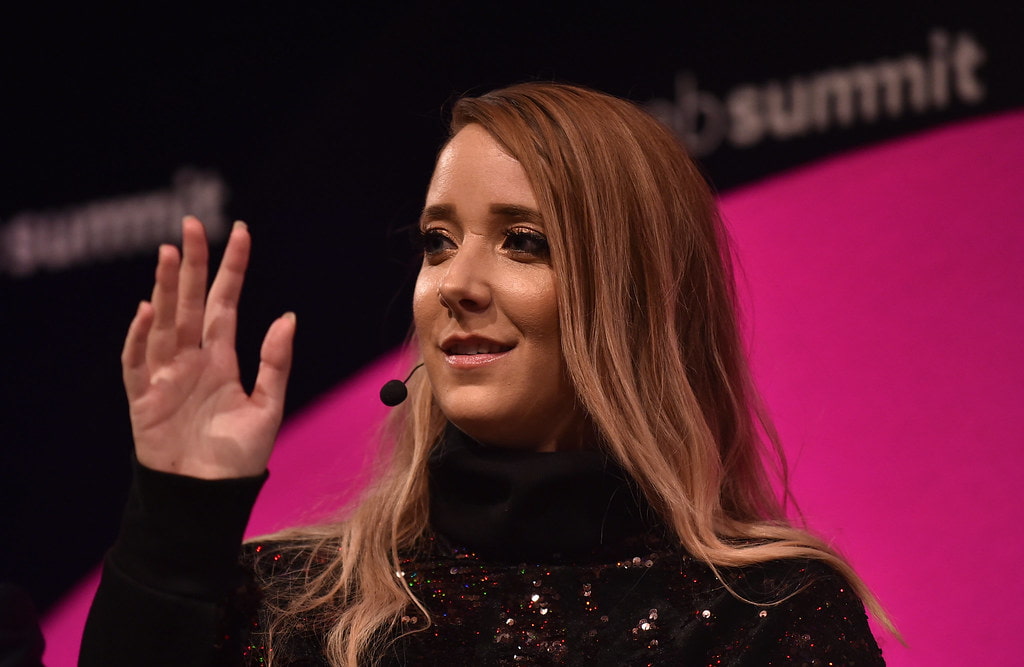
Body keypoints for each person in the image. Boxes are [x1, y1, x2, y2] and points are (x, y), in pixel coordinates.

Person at [81, 83, 891, 665]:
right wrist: (178, 518)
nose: (455, 284)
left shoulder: (767, 615)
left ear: (637, 297)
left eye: (523, 241)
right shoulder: (291, 601)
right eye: (439, 241)